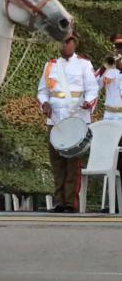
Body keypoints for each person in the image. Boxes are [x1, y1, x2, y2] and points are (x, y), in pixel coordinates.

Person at [37, 33, 98, 212]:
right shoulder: (50, 65)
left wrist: (88, 102)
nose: (64, 46)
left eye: (67, 43)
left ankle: (71, 203)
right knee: (57, 162)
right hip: (55, 118)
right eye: (62, 43)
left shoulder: (84, 64)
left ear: (74, 44)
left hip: (76, 117)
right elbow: (42, 91)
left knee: (72, 163)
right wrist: (45, 103)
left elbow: (92, 89)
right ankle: (59, 202)